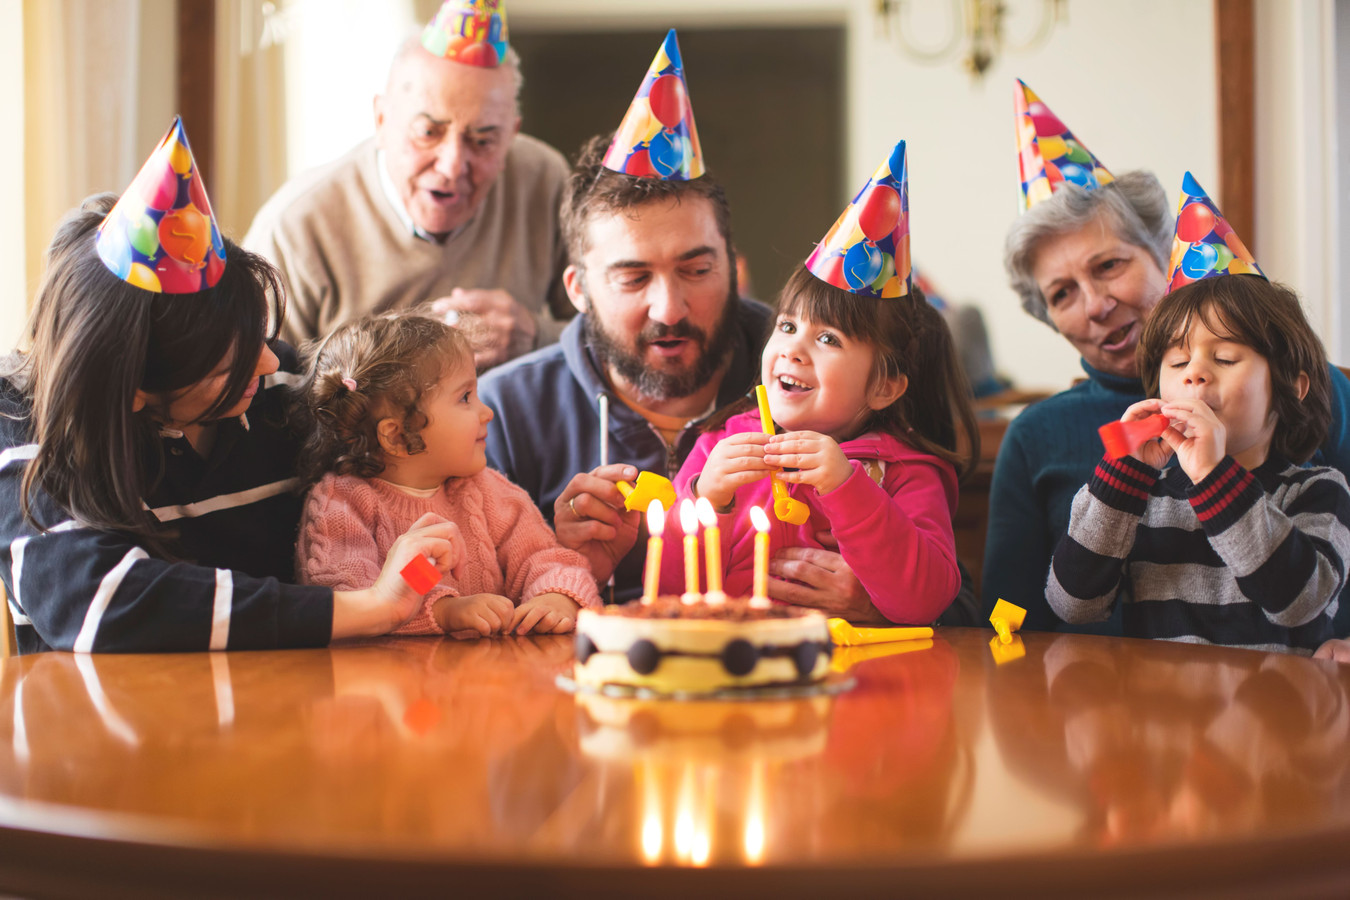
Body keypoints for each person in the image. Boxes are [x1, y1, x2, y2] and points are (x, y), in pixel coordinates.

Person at [0, 121, 458, 654]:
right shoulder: (22, 424)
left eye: (259, 336)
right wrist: (370, 608)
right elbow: (101, 602)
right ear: (132, 391)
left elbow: (428, 494)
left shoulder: (281, 384)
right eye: (225, 368)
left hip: (293, 716)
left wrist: (547, 549)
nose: (266, 363)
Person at [481, 31, 883, 618]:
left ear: (732, 265)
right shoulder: (502, 414)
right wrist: (548, 562)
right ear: (578, 290)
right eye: (633, 277)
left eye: (696, 269)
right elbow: (454, 612)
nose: (669, 308)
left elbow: (961, 598)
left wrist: (878, 599)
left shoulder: (830, 379)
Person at [984, 82, 1350, 638]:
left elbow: (1313, 588)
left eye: (1109, 265)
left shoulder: (1314, 394)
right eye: (1062, 294)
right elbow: (1024, 615)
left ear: (1161, 252)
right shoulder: (1039, 436)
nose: (1096, 305)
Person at [657, 142, 978, 623]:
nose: (792, 349)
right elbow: (663, 591)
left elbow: (926, 599)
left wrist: (847, 486)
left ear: (885, 387)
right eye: (787, 327)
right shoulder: (718, 447)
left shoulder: (908, 472)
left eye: (828, 338)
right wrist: (706, 497)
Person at [244, 0, 572, 369]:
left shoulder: (544, 179)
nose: (451, 166)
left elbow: (608, 337)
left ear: (511, 134)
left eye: (483, 140)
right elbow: (261, 393)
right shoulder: (298, 227)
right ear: (382, 120)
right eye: (428, 132)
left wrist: (535, 336)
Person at [1046, 266, 1350, 652]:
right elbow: (1073, 604)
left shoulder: (1318, 490)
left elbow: (1300, 603)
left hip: (1278, 706)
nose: (1195, 374)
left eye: (1224, 358)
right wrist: (1123, 475)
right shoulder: (1143, 497)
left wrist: (1214, 476)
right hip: (1159, 707)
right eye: (1177, 363)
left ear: (1291, 387)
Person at [294, 313, 599, 636]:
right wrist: (443, 610)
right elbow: (351, 598)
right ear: (396, 435)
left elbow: (544, 559)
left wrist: (554, 596)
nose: (487, 411)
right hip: (390, 681)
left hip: (492, 677)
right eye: (465, 397)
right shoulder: (343, 504)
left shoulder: (489, 492)